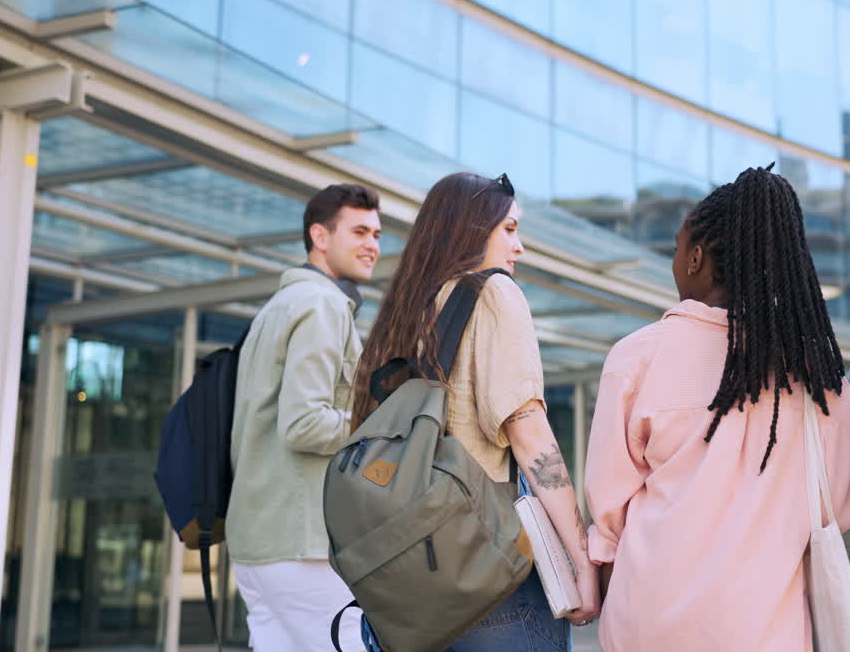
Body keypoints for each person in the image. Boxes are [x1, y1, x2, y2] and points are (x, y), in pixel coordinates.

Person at [585, 166, 850, 651]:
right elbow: (838, 508)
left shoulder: (638, 357)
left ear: (696, 258)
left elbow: (610, 514)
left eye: (677, 248)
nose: (675, 261)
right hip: (767, 631)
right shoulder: (822, 383)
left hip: (648, 624)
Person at [352, 172, 600, 651]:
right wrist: (582, 559)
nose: (519, 247)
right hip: (486, 573)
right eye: (509, 229)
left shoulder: (402, 314)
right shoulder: (493, 293)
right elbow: (528, 431)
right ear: (468, 230)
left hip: (403, 586)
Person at [226, 184, 382, 652]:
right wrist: (378, 426)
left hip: (258, 543)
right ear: (319, 235)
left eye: (376, 233)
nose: (372, 244)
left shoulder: (276, 309)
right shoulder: (321, 305)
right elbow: (304, 423)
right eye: (358, 231)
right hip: (304, 542)